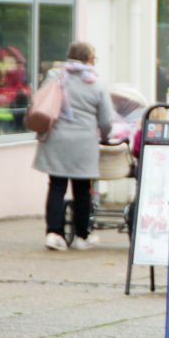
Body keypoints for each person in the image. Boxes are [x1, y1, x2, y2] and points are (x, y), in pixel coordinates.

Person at [32, 42, 114, 251]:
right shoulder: (96, 84)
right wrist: (105, 136)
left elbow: (40, 101)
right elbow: (106, 121)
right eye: (94, 58)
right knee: (82, 190)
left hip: (56, 140)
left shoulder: (55, 77)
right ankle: (81, 235)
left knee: (57, 186)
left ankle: (54, 233)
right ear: (88, 59)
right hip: (83, 143)